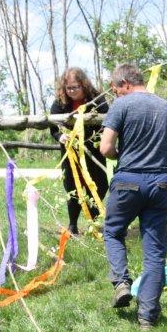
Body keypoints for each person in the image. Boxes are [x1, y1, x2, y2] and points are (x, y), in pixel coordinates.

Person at [100, 64, 167, 330]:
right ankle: (147, 318)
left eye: (115, 89)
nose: (116, 94)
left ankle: (121, 282)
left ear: (123, 84)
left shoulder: (121, 106)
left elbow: (106, 147)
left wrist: (118, 156)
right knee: (155, 252)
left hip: (129, 181)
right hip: (161, 182)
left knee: (112, 231)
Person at [48, 67, 109, 234]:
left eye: (75, 87)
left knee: (100, 185)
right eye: (68, 88)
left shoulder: (97, 99)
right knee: (72, 187)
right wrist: (60, 137)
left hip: (93, 151)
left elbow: (108, 122)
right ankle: (73, 224)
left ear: (83, 84)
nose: (72, 91)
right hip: (71, 153)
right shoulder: (60, 103)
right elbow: (53, 127)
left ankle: (94, 221)